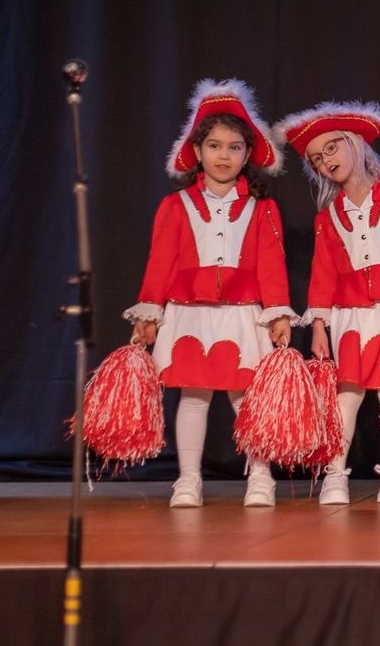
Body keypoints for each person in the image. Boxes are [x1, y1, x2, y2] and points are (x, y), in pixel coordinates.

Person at [124, 79, 295, 509]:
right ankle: (188, 479)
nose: (224, 155)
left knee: (247, 397)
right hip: (188, 313)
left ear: (247, 154)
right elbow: (160, 263)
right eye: (215, 146)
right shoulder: (175, 205)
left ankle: (261, 476)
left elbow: (272, 265)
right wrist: (149, 312)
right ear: (197, 151)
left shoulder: (262, 208)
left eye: (234, 147)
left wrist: (277, 312)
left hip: (243, 313)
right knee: (193, 396)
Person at [275, 101, 380, 505]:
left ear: (354, 144)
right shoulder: (327, 217)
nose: (325, 161)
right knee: (346, 394)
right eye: (317, 159)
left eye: (331, 148)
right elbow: (323, 275)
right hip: (350, 314)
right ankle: (336, 474)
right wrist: (318, 325)